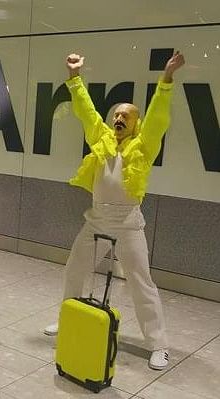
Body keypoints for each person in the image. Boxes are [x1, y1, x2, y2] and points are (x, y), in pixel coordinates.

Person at [43, 51, 185, 371]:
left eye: (126, 116)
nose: (119, 119)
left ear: (136, 124)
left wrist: (165, 81)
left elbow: (158, 120)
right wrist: (75, 78)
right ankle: (68, 319)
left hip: (128, 224)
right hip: (96, 221)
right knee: (74, 270)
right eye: (117, 115)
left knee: (140, 281)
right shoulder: (101, 138)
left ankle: (158, 344)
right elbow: (86, 112)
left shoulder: (144, 145)